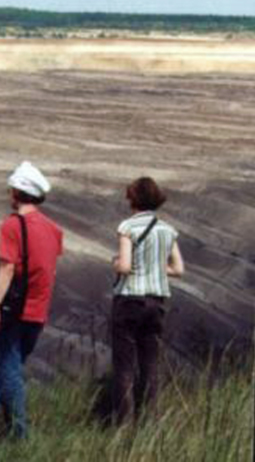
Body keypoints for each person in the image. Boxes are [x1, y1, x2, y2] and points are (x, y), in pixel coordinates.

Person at [0, 161, 63, 442]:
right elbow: (50, 268)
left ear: (16, 192)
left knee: (10, 371)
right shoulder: (53, 229)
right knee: (12, 365)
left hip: (14, 310)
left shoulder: (12, 226)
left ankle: (18, 435)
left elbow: (7, 267)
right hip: (39, 310)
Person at [111, 177, 184, 424]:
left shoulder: (127, 227)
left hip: (130, 300)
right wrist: (155, 267)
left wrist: (115, 263)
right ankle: (150, 424)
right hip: (158, 302)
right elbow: (179, 269)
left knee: (124, 368)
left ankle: (123, 426)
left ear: (133, 199)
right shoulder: (167, 230)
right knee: (151, 365)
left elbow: (124, 266)